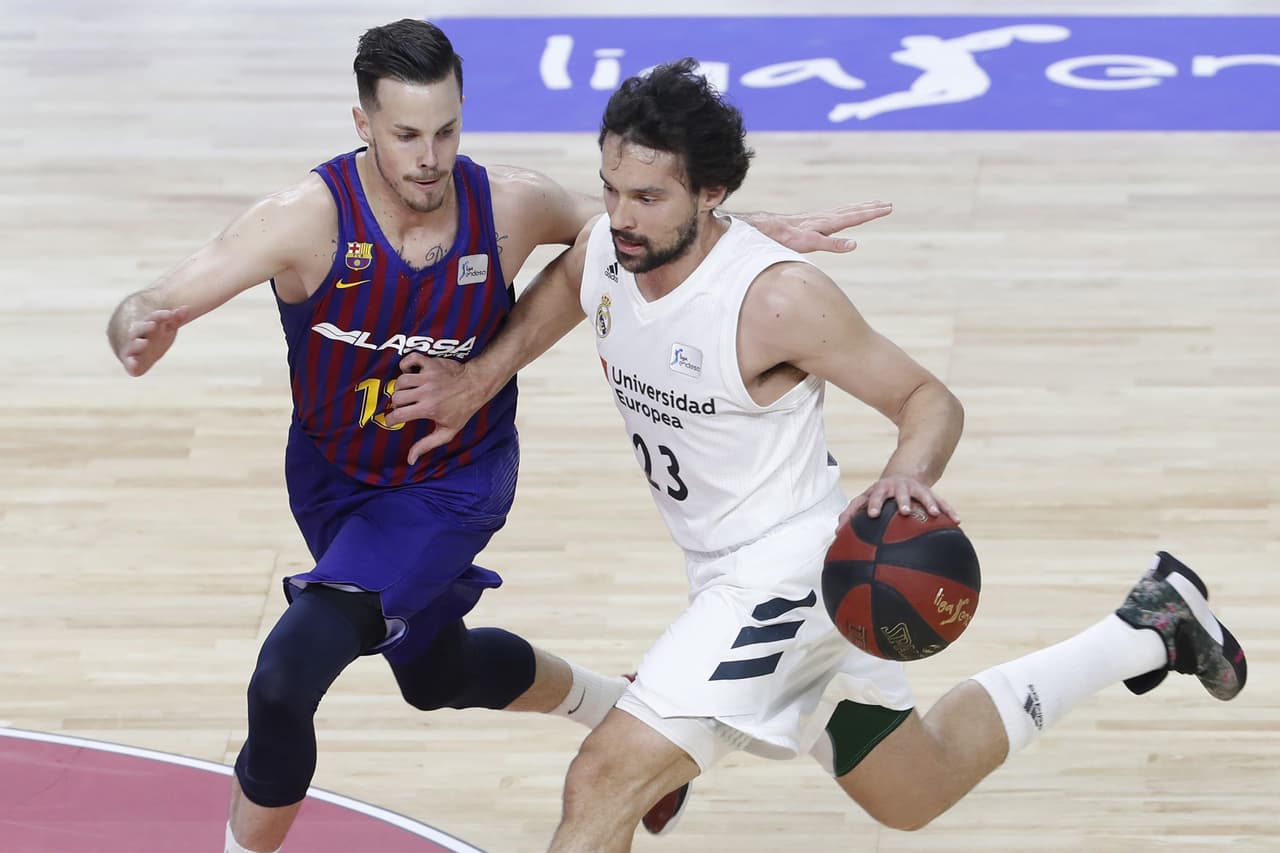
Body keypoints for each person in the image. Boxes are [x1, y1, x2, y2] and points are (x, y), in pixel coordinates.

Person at [386, 58, 1249, 852]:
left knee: (604, 778)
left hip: (789, 574)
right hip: (732, 570)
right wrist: (478, 378)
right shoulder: (610, 250)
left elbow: (928, 400)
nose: (619, 217)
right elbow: (575, 281)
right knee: (915, 783)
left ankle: (657, 736)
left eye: (648, 197)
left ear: (712, 192)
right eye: (610, 189)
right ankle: (1146, 628)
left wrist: (906, 476)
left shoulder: (778, 299)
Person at [104, 20, 890, 853]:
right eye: (406, 134)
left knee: (285, 677)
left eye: (447, 130)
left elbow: (635, 226)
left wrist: (756, 231)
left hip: (452, 482)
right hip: (335, 482)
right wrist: (136, 327)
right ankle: (612, 701)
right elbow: (158, 294)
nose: (430, 156)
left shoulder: (508, 203)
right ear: (363, 124)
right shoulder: (304, 220)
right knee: (436, 675)